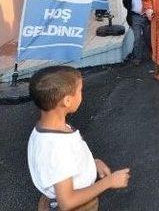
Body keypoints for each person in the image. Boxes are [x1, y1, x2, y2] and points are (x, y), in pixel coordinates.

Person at [27, 66, 130, 211]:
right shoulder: (57, 148)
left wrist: (92, 163)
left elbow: (66, 162)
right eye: (79, 91)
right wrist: (109, 182)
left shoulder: (49, 128)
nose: (81, 95)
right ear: (67, 101)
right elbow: (67, 202)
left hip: (56, 196)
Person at [122, 0, 150, 66]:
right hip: (135, 17)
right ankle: (137, 58)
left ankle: (151, 53)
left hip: (147, 17)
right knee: (137, 38)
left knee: (148, 37)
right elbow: (126, 4)